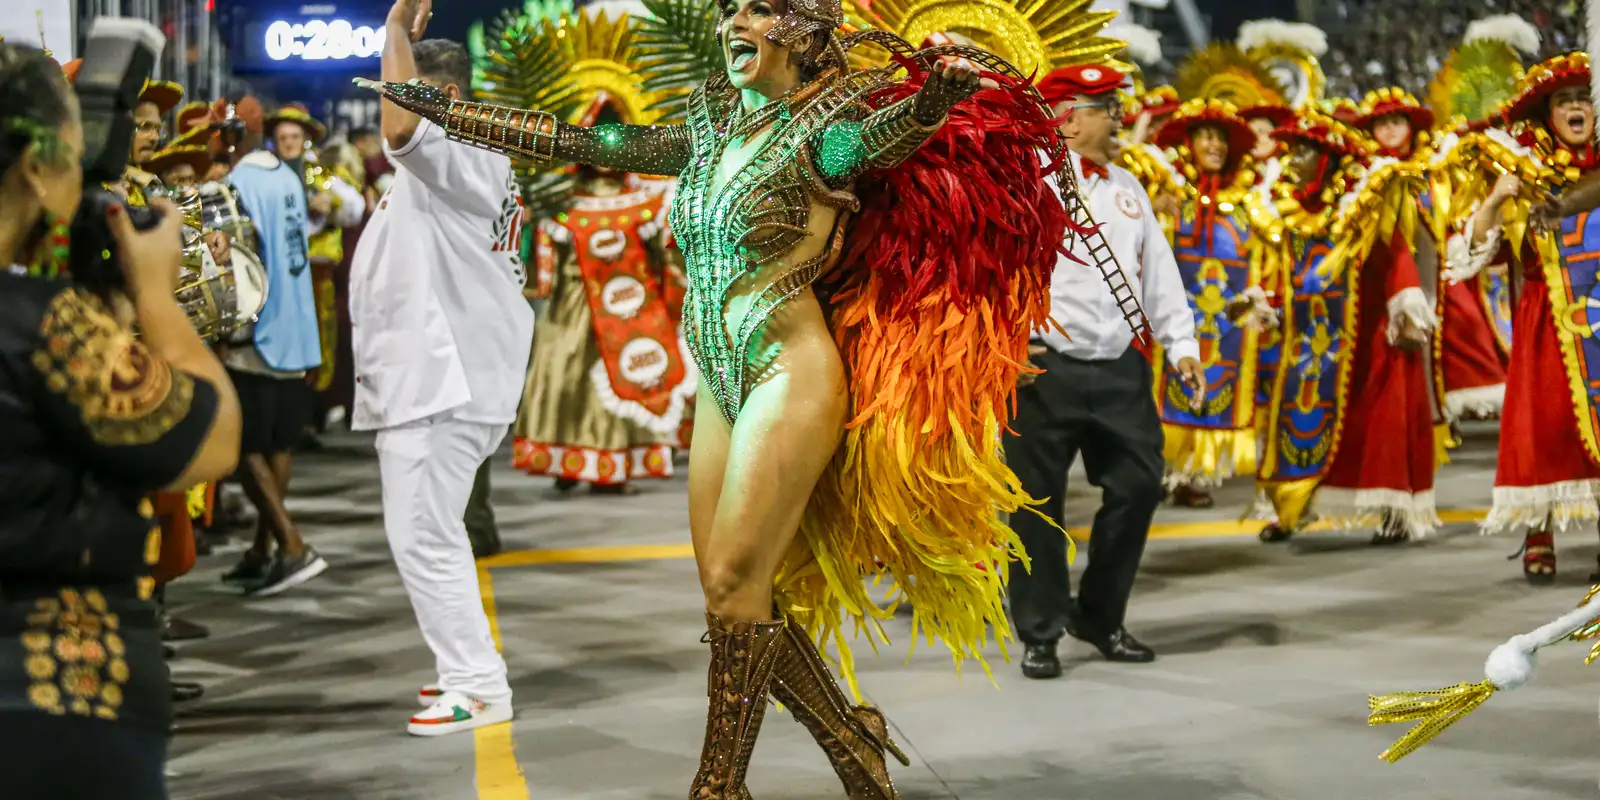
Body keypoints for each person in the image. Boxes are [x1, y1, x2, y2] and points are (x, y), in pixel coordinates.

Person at [360, 0, 1098, 789]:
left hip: (788, 371)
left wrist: (931, 102)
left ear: (804, 33)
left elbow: (880, 139)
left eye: (757, 10)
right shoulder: (709, 127)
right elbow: (589, 140)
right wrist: (442, 110)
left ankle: (717, 785)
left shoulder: (829, 128)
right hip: (720, 379)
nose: (733, 23)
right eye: (730, 11)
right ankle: (853, 739)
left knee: (733, 586)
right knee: (735, 598)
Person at [0, 42, 240, 798]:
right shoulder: (46, 329)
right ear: (36, 167)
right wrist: (158, 297)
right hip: (51, 698)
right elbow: (208, 438)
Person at [353, 13, 535, 735]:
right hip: (445, 378)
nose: (388, 106)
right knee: (431, 532)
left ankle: (478, 685)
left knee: (426, 535)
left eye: (407, 91)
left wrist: (392, 26)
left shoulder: (458, 148)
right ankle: (466, 672)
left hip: (446, 381)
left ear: (449, 99)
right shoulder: (452, 161)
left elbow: (401, 129)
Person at [1004, 64, 1203, 680]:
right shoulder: (1024, 184)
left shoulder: (1128, 188)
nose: (1117, 119)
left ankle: (1098, 615)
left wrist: (1184, 343)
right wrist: (1002, 349)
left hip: (1120, 368)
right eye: (1103, 107)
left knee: (1141, 486)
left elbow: (1158, 272)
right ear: (1067, 118)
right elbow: (994, 272)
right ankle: (1039, 632)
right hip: (1041, 369)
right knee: (1037, 505)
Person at [512, 44, 695, 494]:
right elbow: (537, 249)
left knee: (627, 374)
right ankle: (567, 461)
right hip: (570, 307)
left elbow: (669, 254)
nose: (602, 151)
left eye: (611, 139)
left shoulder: (652, 196)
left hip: (633, 312)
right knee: (562, 377)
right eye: (593, 137)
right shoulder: (558, 197)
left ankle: (613, 467)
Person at [1450, 53, 1600, 583]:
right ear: (1548, 113)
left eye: (1584, 98)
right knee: (1545, 431)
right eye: (1565, 100)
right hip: (1547, 325)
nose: (1576, 107)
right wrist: (1495, 200)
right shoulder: (1521, 171)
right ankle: (1540, 535)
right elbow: (1469, 254)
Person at [217, 109, 329, 596]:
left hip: (257, 329)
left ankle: (291, 545)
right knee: (280, 443)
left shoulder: (236, 183)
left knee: (243, 447)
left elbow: (238, 257)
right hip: (297, 327)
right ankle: (264, 550)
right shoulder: (287, 177)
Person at [1147, 99, 1275, 509]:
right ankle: (1165, 470)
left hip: (1224, 321)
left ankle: (1193, 474)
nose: (1214, 145)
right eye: (1205, 136)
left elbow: (1269, 253)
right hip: (1174, 313)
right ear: (1189, 143)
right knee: (1164, 386)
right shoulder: (1167, 195)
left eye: (1220, 137)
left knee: (1215, 382)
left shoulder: (1249, 203)